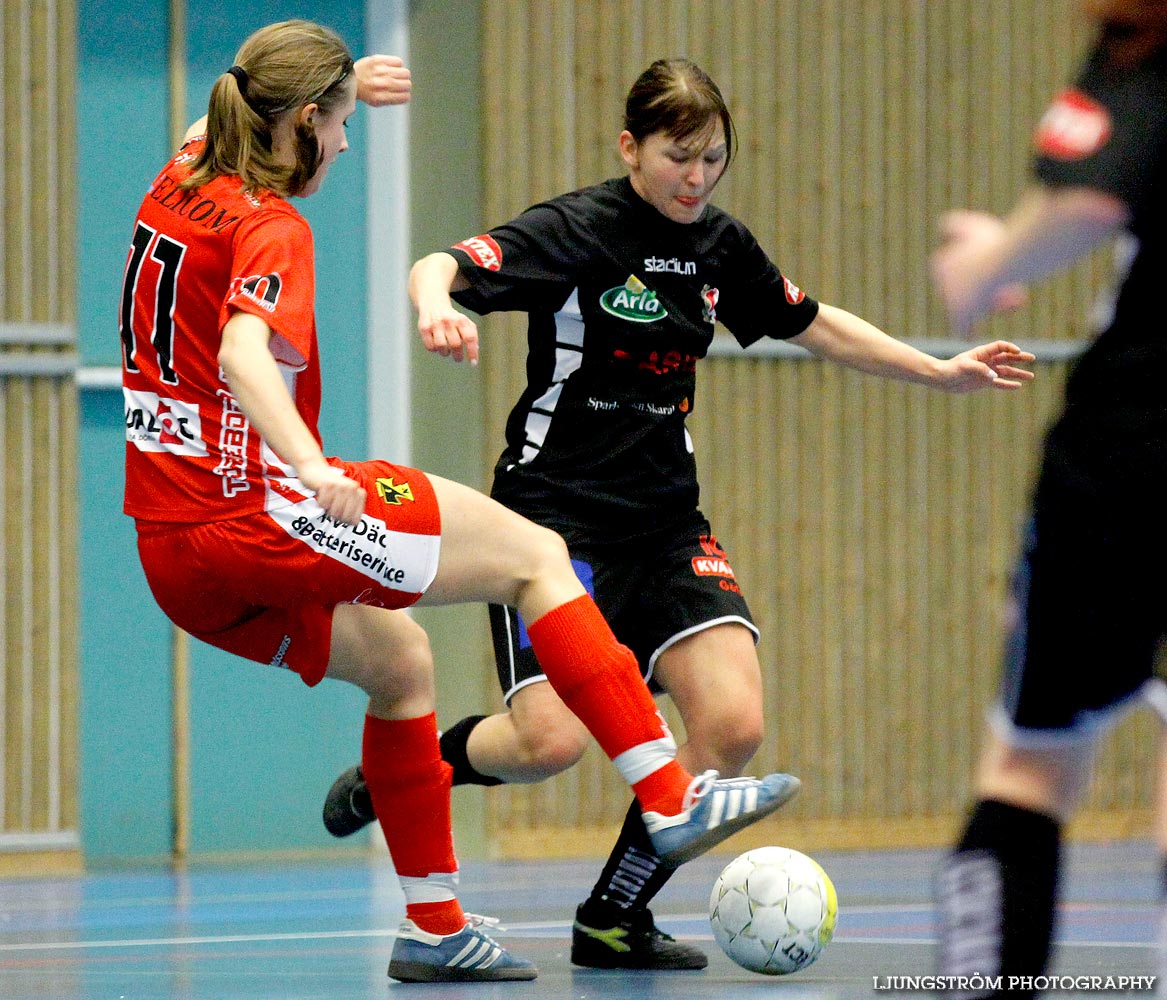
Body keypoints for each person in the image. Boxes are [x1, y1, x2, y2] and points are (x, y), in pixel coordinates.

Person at [119, 22, 800, 985]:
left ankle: (434, 930)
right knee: (535, 557)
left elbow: (226, 101)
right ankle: (666, 790)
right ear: (300, 123)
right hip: (254, 512)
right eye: (341, 122)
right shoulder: (270, 223)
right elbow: (240, 356)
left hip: (169, 552)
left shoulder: (182, 170)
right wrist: (313, 470)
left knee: (399, 663)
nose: (347, 143)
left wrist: (338, 76)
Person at [323, 57, 1035, 970]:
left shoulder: (721, 248)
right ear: (631, 147)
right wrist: (436, 309)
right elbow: (444, 265)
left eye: (713, 160)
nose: (696, 178)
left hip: (664, 528)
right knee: (548, 744)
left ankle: (613, 916)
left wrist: (935, 369)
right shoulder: (577, 229)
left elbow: (809, 320)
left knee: (732, 725)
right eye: (678, 157)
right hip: (548, 529)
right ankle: (404, 775)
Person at [931, 1, 1167, 994]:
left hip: (1138, 441)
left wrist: (982, 266)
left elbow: (1088, 199)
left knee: (1029, 766)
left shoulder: (1144, 48)